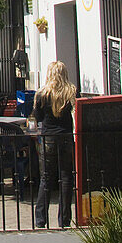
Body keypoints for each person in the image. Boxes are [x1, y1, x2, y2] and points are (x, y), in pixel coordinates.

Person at [33, 61, 76, 228]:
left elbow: (38, 117)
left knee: (46, 178)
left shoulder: (42, 94)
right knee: (66, 178)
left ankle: (40, 219)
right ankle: (64, 220)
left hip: (48, 138)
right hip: (65, 137)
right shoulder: (71, 92)